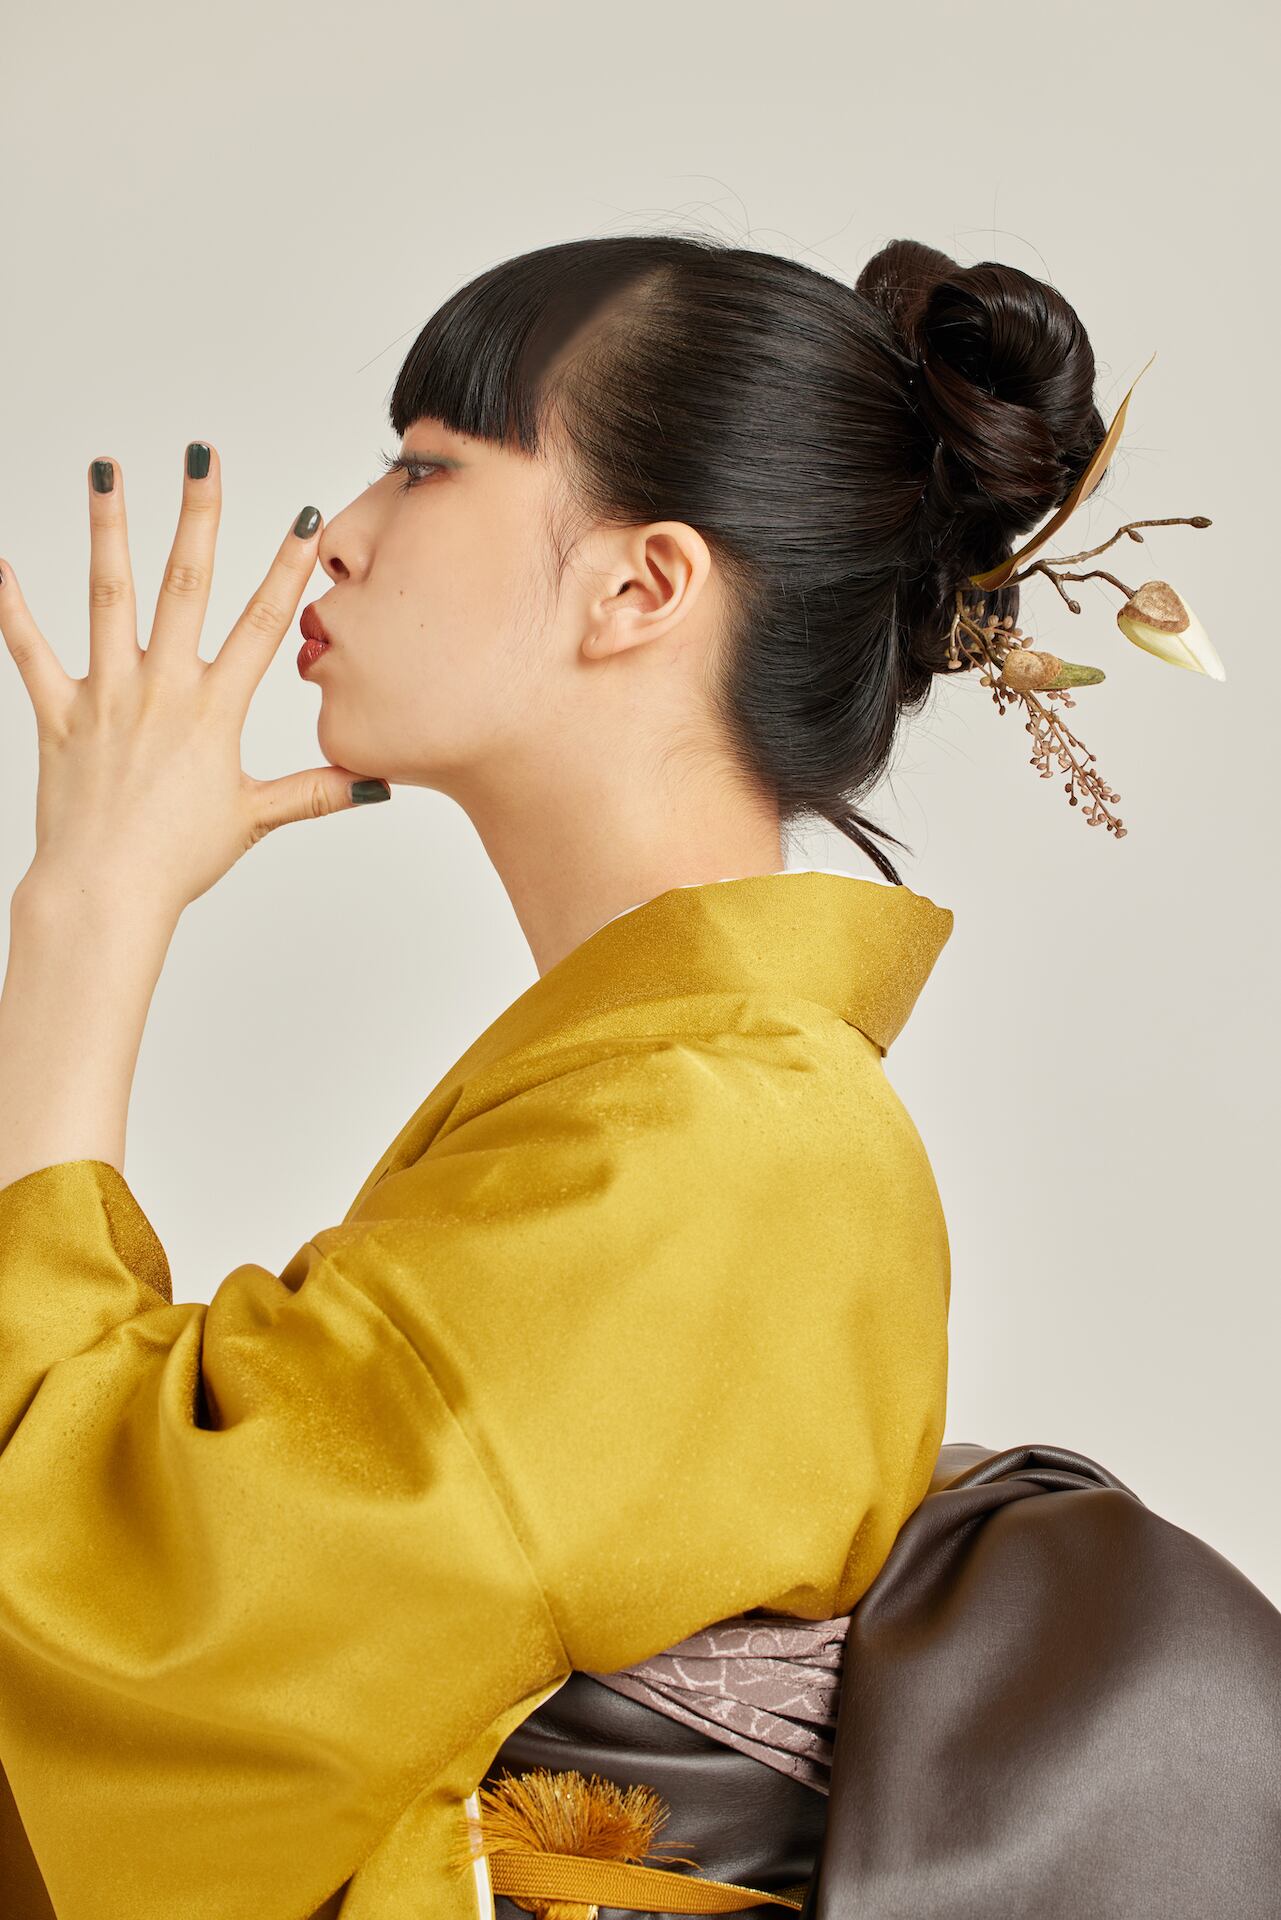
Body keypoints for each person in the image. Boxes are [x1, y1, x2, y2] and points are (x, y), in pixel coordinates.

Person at [0, 233, 1118, 1918]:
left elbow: (148, 1626)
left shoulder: (724, 1131)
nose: (343, 534)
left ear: (640, 589)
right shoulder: (690, 1098)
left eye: (423, 467)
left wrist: (87, 917)